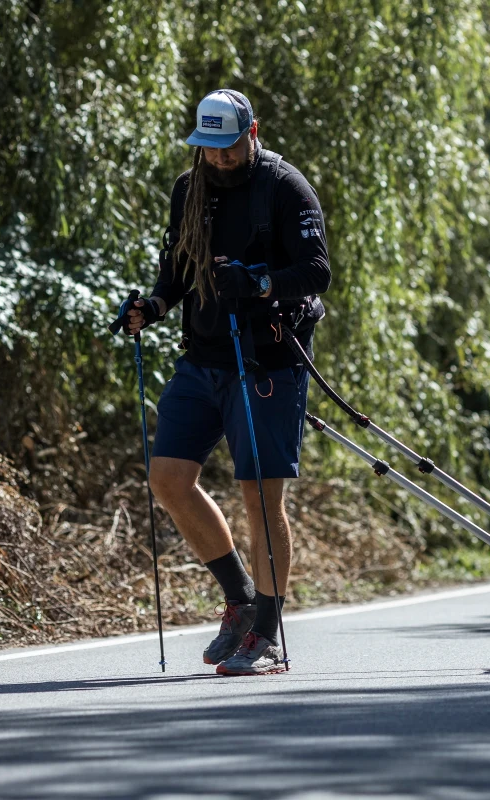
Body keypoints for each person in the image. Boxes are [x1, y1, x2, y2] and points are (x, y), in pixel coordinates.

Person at [121, 89, 329, 675]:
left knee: (259, 498)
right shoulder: (190, 189)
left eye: (228, 147)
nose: (219, 158)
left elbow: (318, 271)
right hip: (203, 357)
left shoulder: (285, 187)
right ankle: (239, 599)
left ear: (252, 132)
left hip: (267, 362)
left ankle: (267, 632)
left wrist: (260, 282)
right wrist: (152, 307)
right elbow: (178, 270)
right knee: (167, 478)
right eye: (208, 149)